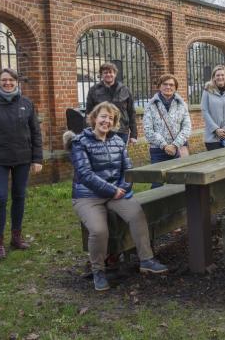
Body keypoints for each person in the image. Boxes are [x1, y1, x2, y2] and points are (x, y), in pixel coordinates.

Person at [64, 101, 168, 291]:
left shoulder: (118, 141)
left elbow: (127, 169)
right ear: (94, 118)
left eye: (110, 118)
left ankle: (146, 260)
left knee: (137, 214)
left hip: (116, 193)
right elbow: (85, 175)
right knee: (99, 230)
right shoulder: (80, 142)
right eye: (103, 116)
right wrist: (112, 190)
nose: (106, 121)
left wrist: (122, 187)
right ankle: (99, 271)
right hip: (88, 196)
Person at [0, 68, 43, 260]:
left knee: (19, 196)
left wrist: (37, 158)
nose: (8, 83)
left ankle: (16, 237)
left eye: (11, 79)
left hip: (23, 157)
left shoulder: (26, 103)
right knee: (1, 198)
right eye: (4, 80)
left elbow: (35, 132)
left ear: (16, 81)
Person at [143, 74, 191, 187]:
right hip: (158, 151)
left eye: (171, 85)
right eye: (165, 84)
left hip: (177, 150)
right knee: (157, 184)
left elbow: (187, 127)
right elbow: (148, 130)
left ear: (175, 88)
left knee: (178, 183)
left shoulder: (182, 104)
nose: (168, 87)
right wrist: (164, 145)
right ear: (159, 86)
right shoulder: (150, 105)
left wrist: (175, 145)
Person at [85, 62, 137, 146]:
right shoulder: (94, 90)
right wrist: (89, 131)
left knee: (119, 156)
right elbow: (89, 113)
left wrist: (134, 135)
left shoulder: (124, 90)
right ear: (101, 75)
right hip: (101, 130)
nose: (108, 74)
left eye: (111, 72)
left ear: (115, 74)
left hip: (121, 131)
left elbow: (131, 112)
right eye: (105, 73)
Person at [201, 65, 225, 150]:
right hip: (212, 137)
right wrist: (216, 129)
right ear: (214, 77)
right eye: (218, 75)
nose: (220, 77)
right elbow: (205, 111)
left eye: (223, 75)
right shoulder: (207, 90)